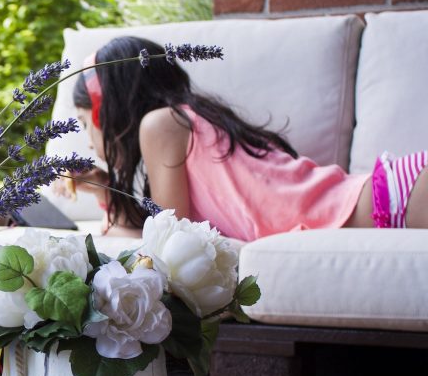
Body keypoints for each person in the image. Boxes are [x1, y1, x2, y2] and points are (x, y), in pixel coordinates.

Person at [54, 36, 428, 241]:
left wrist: (106, 211)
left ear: (111, 109)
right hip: (391, 196)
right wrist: (105, 190)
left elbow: (167, 240)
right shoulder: (183, 119)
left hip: (390, 199)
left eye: (87, 124)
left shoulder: (160, 124)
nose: (88, 141)